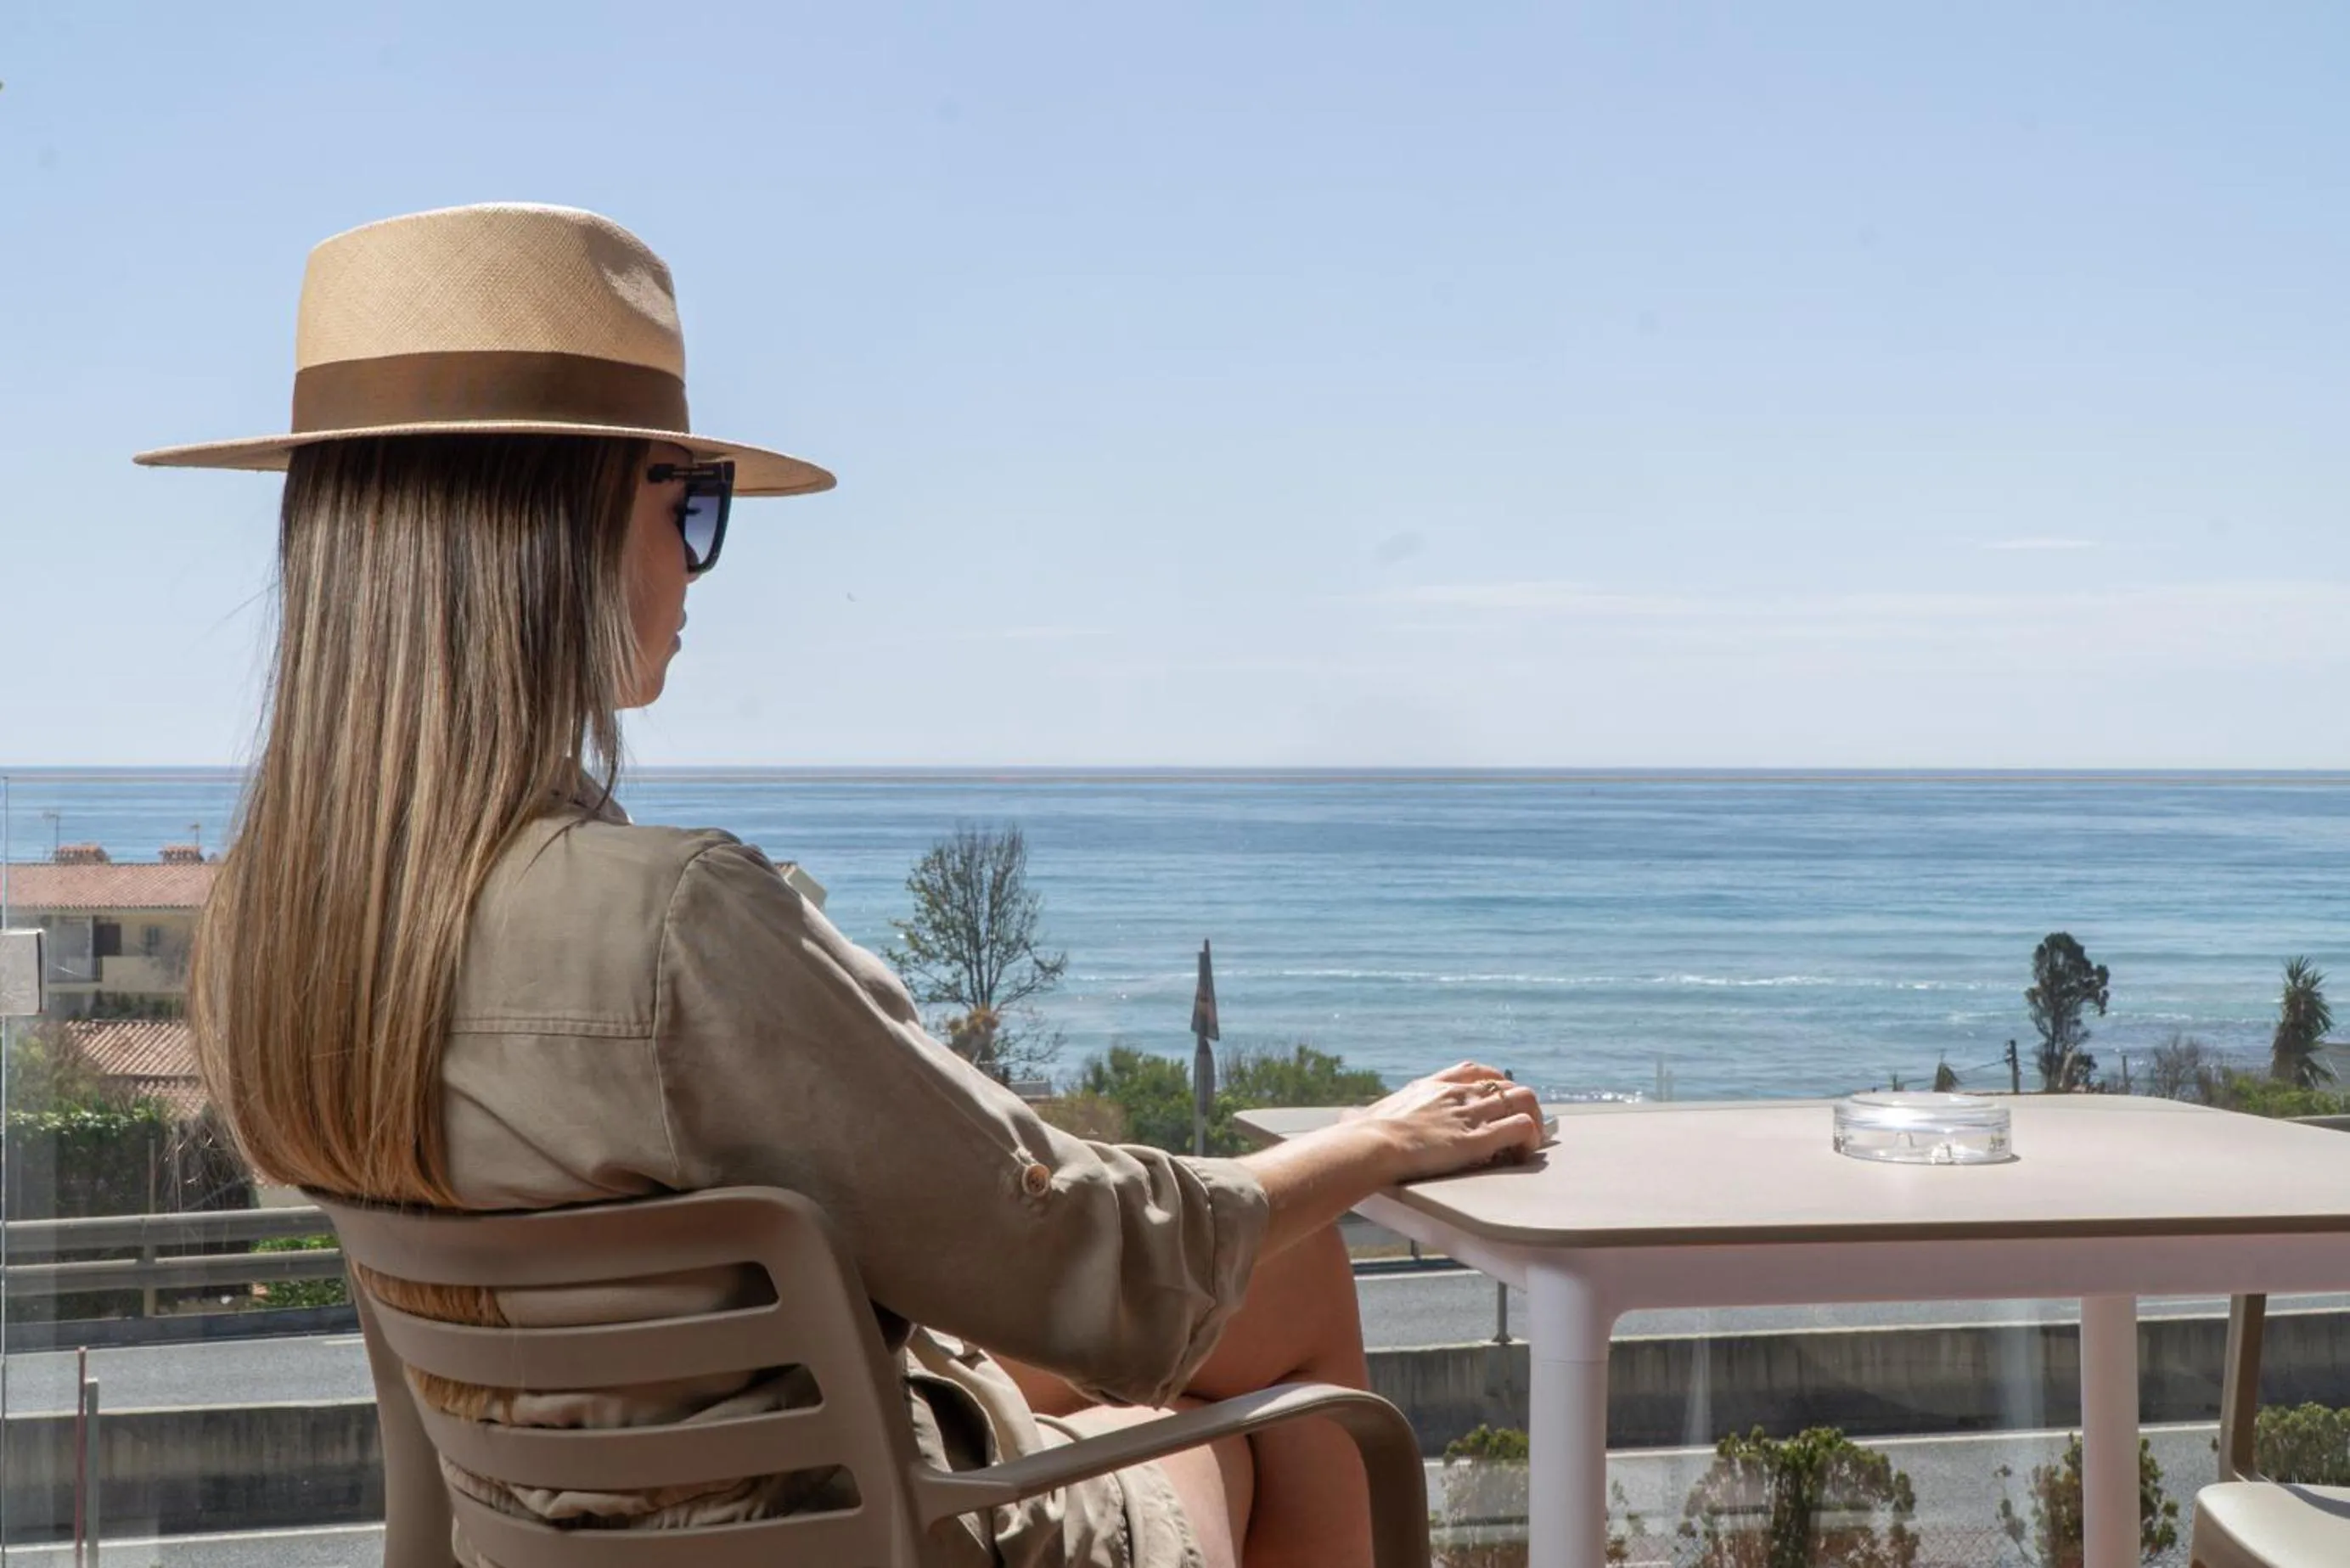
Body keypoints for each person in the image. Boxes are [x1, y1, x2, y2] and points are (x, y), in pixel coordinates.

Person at [150, 203, 1545, 1568]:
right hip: (838, 1527)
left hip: (566, 1512)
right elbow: (1096, 1248)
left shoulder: (289, 935)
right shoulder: (674, 926)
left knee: (1180, 1309)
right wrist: (1383, 1142)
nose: (698, 565)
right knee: (1268, 1329)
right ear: (556, 523)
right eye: (687, 502)